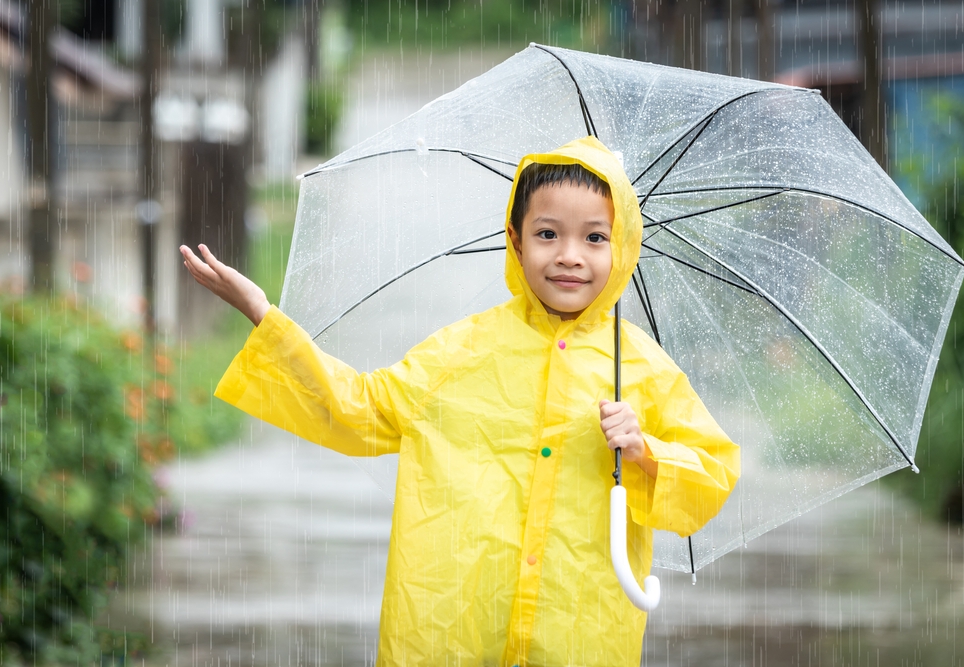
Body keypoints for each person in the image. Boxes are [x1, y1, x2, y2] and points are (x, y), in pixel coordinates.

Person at [180, 136, 740, 666]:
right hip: (453, 632)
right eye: (548, 234)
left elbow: (711, 476)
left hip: (580, 634)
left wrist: (646, 450)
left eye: (595, 238)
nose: (570, 256)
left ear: (621, 249)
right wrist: (265, 316)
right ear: (516, 241)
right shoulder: (462, 349)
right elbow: (360, 410)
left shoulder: (640, 369)